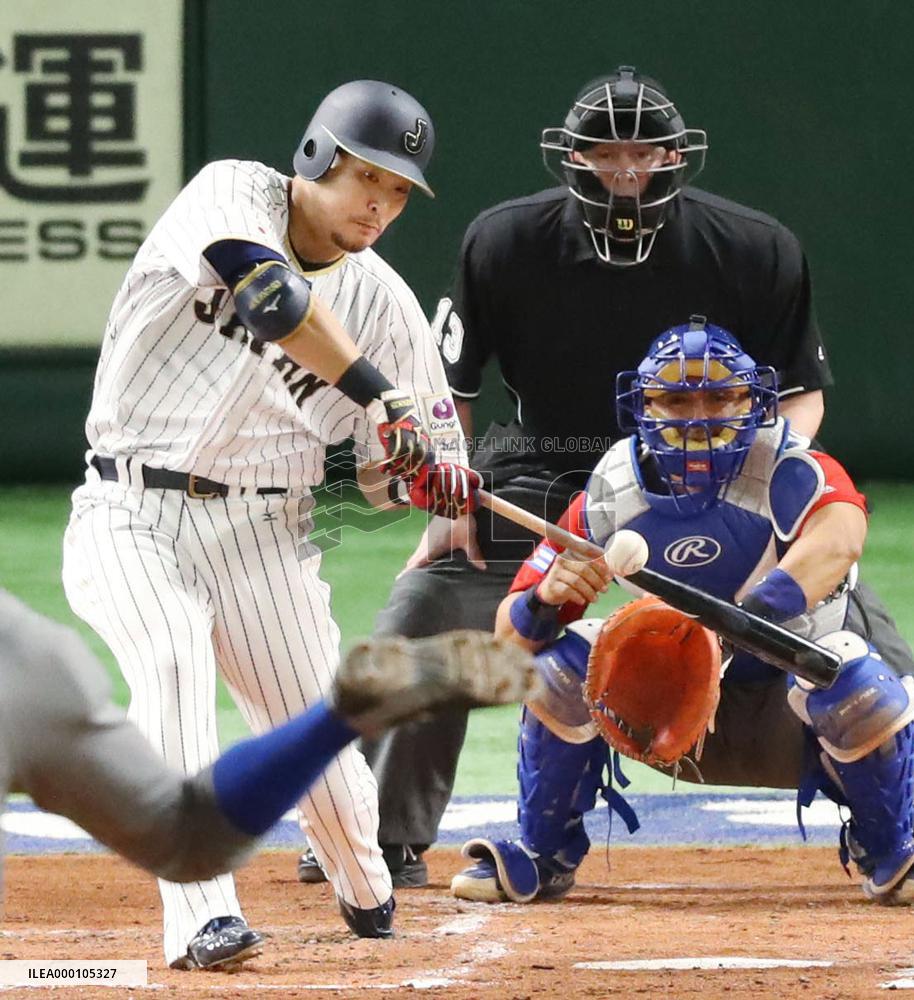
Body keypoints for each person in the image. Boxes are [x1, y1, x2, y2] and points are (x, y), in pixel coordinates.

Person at [327, 66, 913, 890]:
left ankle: (896, 832)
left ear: (681, 158)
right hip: (549, 465)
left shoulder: (753, 247)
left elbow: (801, 399)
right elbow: (445, 390)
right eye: (607, 154)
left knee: (871, 663)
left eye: (646, 153)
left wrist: (764, 474)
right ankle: (375, 835)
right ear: (570, 159)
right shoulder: (504, 240)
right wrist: (446, 498)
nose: (627, 171)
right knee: (429, 600)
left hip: (730, 466)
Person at [60, 79, 481, 971]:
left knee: (317, 742)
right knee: (169, 659)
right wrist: (380, 396)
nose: (379, 202)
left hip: (266, 538)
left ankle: (363, 886)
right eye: (365, 176)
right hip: (127, 509)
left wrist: (421, 474)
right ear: (316, 159)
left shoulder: (389, 306)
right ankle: (201, 912)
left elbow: (391, 484)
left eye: (400, 189)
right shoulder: (231, 193)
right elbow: (270, 298)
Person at [449, 319, 914, 906]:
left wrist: (745, 617)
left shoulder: (790, 466)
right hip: (673, 720)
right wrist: (544, 602)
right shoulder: (614, 487)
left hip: (796, 719)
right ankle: (544, 855)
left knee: (856, 677)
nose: (699, 418)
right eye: (676, 400)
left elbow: (840, 537)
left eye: (720, 397)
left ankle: (892, 849)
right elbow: (506, 644)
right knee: (561, 666)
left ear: (755, 401)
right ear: (641, 406)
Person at [0, 587, 535, 968]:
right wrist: (336, 723)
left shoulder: (26, 668)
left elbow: (188, 834)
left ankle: (363, 875)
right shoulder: (25, 661)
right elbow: (188, 835)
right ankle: (340, 720)